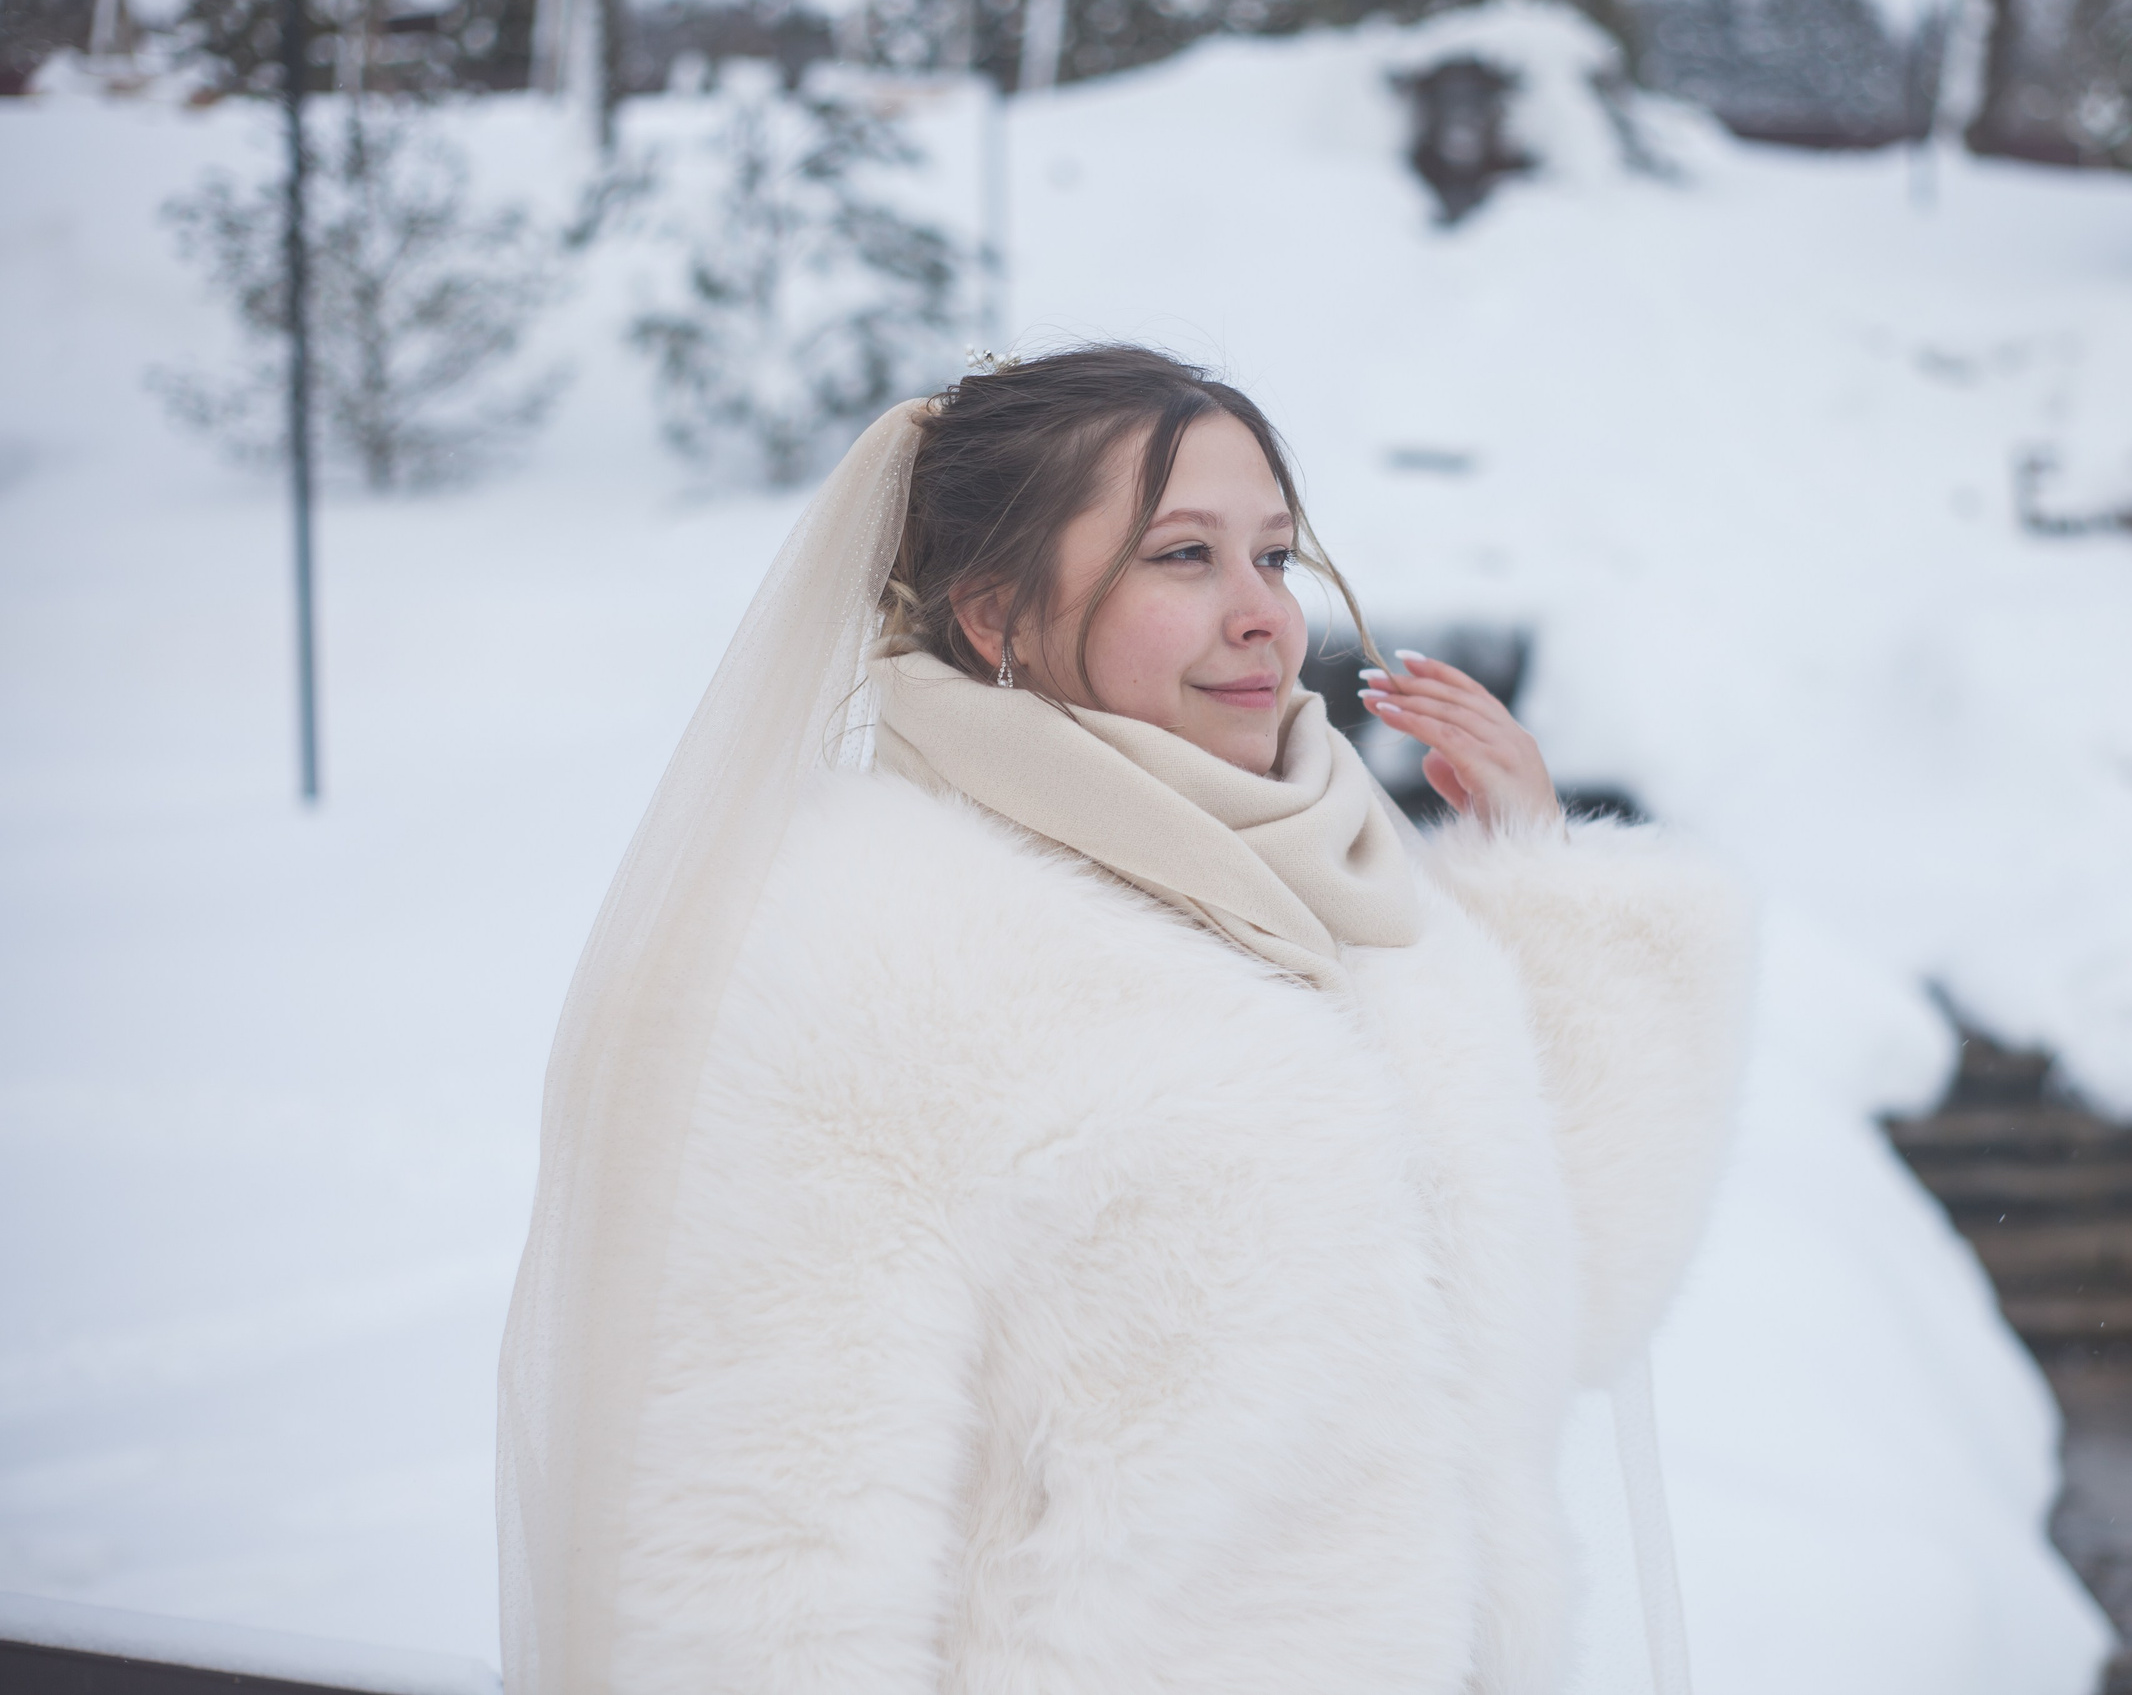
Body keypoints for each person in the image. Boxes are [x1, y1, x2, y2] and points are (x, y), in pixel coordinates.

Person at [497, 345, 1753, 1695]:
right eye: (1181, 558)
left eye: (1273, 557)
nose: (1265, 615)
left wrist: (1539, 873)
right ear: (995, 618)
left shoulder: (1370, 911)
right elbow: (761, 1559)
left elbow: (1562, 1315)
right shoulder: (860, 959)